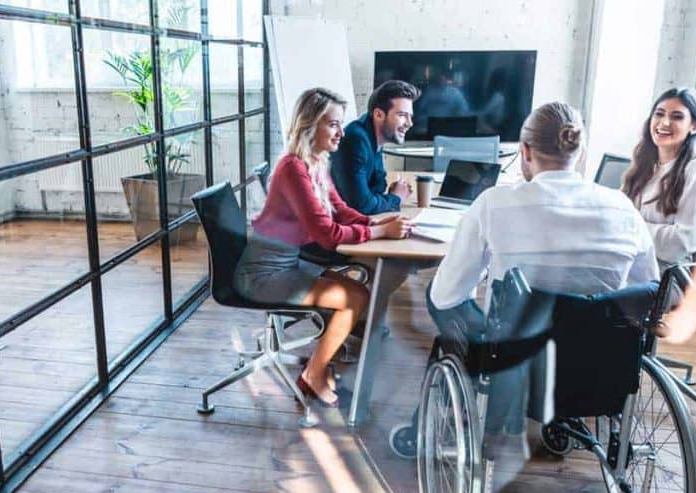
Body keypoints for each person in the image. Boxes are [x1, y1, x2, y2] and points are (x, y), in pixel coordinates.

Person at [428, 101, 659, 444]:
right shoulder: (623, 208)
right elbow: (646, 290)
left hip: (515, 364)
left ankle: (465, 406)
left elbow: (447, 296)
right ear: (580, 152)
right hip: (600, 365)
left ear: (524, 151)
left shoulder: (494, 203)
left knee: (439, 294)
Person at [235, 87, 414, 407]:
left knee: (360, 295)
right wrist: (381, 231)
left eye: (341, 124)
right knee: (355, 298)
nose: (342, 133)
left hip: (288, 264)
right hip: (266, 273)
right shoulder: (293, 168)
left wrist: (375, 224)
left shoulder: (315, 163)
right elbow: (328, 235)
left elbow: (341, 210)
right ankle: (312, 375)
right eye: (333, 124)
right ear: (309, 125)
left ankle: (317, 368)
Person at [622, 87, 696, 269]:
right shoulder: (646, 162)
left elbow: (681, 244)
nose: (664, 122)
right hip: (630, 259)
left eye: (677, 117)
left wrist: (627, 227)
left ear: (694, 127)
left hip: (662, 275)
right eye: (659, 114)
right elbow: (619, 212)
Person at [329, 80, 420, 215]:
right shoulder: (356, 140)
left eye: (410, 116)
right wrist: (396, 198)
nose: (409, 123)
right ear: (378, 115)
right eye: (402, 115)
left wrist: (386, 197)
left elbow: (377, 186)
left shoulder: (375, 135)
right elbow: (362, 205)